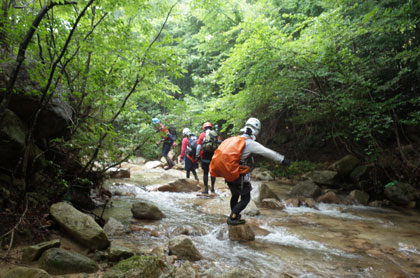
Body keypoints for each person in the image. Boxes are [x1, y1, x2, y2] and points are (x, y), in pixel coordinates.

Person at [210, 117, 290, 226]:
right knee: (246, 198)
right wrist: (282, 159)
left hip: (229, 172)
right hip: (239, 174)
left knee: (235, 195)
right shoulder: (250, 143)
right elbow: (267, 152)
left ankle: (235, 214)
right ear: (256, 131)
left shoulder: (234, 139)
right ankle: (233, 218)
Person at [196, 122, 220, 194]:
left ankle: (206, 189)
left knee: (205, 173)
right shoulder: (216, 135)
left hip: (205, 157)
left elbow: (198, 146)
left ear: (204, 128)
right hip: (213, 157)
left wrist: (197, 156)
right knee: (213, 173)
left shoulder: (202, 135)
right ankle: (212, 188)